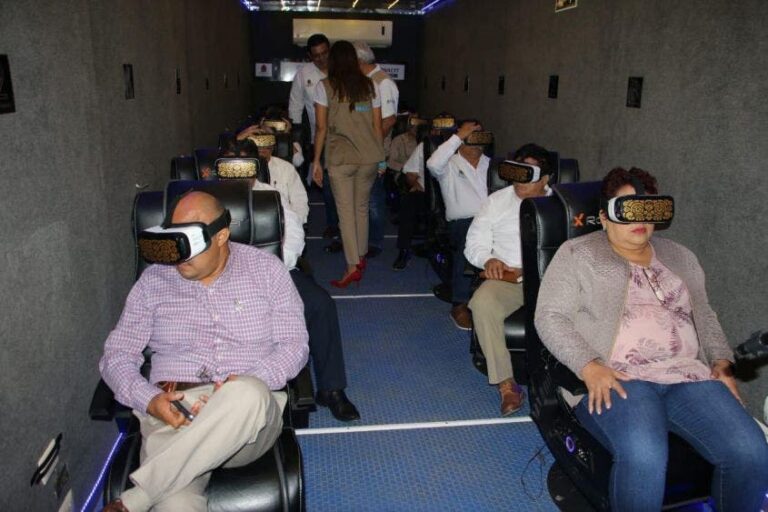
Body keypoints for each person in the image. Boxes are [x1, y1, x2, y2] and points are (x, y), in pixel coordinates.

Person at [535, 168, 768, 512]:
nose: (640, 219)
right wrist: (589, 365)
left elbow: (704, 315)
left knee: (751, 451)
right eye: (628, 210)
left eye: (648, 209)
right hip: (620, 376)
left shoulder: (681, 256)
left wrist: (722, 364)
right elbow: (550, 316)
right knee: (645, 455)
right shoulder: (578, 254)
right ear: (604, 217)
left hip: (687, 375)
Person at [100, 192, 309, 512]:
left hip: (248, 420)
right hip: (173, 415)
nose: (179, 257)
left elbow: (294, 345)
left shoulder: (267, 270)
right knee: (175, 507)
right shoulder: (153, 281)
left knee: (246, 393)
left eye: (190, 244)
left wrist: (244, 383)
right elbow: (116, 355)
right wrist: (149, 400)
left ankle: (134, 500)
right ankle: (156, 490)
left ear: (221, 236)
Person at [237, 138, 361, 421]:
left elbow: (293, 233)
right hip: (223, 280)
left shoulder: (271, 196)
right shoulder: (208, 199)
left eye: (247, 167)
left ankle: (331, 388)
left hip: (276, 271)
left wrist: (276, 267)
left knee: (320, 304)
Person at [465, 144, 553, 415]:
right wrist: (488, 259)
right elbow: (474, 243)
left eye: (528, 175)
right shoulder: (496, 202)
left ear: (545, 178)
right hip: (509, 277)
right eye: (516, 173)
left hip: (552, 279)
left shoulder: (562, 205)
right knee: (482, 302)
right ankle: (506, 383)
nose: (519, 181)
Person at [312, 40, 385, 288]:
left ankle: (352, 266)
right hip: (369, 156)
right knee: (361, 208)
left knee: (345, 213)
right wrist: (381, 158)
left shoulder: (325, 86)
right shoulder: (370, 85)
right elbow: (377, 126)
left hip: (341, 158)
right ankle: (360, 256)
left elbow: (321, 128)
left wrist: (316, 161)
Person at [426, 120, 489, 329]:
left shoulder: (492, 165)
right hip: (461, 224)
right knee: (470, 233)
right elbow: (432, 164)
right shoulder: (448, 164)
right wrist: (459, 135)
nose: (476, 140)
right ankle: (459, 303)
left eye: (479, 135)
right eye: (470, 135)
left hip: (492, 222)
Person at [288, 33, 339, 239]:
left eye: (325, 53)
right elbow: (295, 107)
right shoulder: (303, 74)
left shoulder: (342, 70)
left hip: (344, 137)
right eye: (316, 55)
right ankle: (333, 224)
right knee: (326, 184)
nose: (321, 59)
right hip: (320, 138)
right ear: (310, 56)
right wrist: (295, 138)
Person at [353, 40, 399, 258]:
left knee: (373, 198)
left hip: (375, 150)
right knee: (362, 197)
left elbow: (389, 120)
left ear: (358, 60)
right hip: (360, 150)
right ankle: (362, 237)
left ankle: (375, 241)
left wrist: (370, 144)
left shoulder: (383, 82)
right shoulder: (364, 82)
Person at [241, 128, 310, 224]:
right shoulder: (240, 169)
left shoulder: (286, 168)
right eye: (259, 146)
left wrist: (294, 222)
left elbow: (299, 200)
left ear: (273, 147)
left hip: (284, 221)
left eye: (267, 146)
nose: (263, 150)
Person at [391, 117, 428, 270]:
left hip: (451, 195)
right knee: (408, 203)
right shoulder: (424, 147)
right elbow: (410, 173)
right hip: (424, 191)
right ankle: (404, 250)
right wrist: (417, 184)